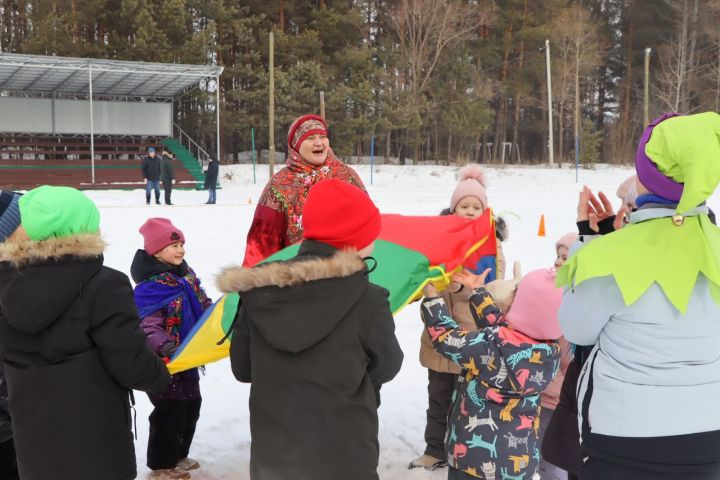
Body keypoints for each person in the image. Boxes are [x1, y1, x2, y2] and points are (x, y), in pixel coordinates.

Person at [557, 112, 720, 480]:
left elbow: (576, 329)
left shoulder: (612, 255)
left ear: (646, 173)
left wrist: (591, 241)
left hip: (624, 436)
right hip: (709, 435)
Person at [220, 179, 404, 480]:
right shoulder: (369, 299)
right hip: (346, 455)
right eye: (371, 234)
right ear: (353, 240)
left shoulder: (259, 291)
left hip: (275, 457)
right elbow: (387, 364)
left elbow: (243, 368)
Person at [0, 186, 170, 480]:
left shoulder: (6, 284)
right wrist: (160, 373)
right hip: (97, 450)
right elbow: (134, 367)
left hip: (34, 451)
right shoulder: (105, 285)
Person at [421, 267, 562, 480]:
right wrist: (477, 292)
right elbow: (502, 329)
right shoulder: (549, 354)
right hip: (516, 465)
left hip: (472, 462)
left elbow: (446, 338)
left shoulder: (488, 349)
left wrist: (432, 298)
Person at [410, 164, 507, 471]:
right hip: (438, 341)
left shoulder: (492, 246)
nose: (469, 211)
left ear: (485, 210)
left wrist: (470, 285)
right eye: (464, 206)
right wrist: (444, 282)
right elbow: (428, 275)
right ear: (452, 210)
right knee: (438, 400)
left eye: (476, 206)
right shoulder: (440, 241)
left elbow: (496, 286)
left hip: (471, 342)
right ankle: (434, 449)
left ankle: (465, 453)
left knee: (470, 404)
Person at [131, 218, 213, 480]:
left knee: (191, 406)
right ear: (156, 251)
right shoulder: (150, 288)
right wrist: (164, 345)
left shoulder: (186, 277)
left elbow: (204, 304)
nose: (180, 250)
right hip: (164, 363)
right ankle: (161, 465)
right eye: (173, 245)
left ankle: (178, 454)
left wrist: (218, 315)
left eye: (181, 244)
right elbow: (147, 326)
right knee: (169, 411)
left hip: (189, 357)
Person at [242, 114, 366, 267]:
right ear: (296, 145)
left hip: (348, 272)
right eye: (310, 138)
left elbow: (368, 224)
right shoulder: (279, 185)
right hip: (300, 277)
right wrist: (255, 281)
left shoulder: (347, 176)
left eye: (322, 136)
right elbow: (262, 242)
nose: (318, 143)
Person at [534, 233, 577, 480]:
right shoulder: (551, 292)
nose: (559, 262)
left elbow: (568, 359)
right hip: (545, 394)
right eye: (559, 256)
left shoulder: (577, 303)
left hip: (559, 397)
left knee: (554, 459)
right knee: (544, 456)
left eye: (566, 258)